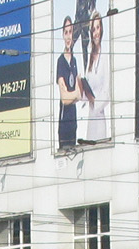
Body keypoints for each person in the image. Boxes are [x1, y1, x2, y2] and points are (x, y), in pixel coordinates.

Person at [78, 13, 110, 144]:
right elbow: (86, 93)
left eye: (98, 28)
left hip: (100, 114)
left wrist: (94, 100)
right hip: (90, 116)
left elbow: (107, 92)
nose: (96, 32)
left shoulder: (106, 56)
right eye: (93, 29)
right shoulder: (90, 58)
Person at [56, 16, 80, 150]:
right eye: (66, 32)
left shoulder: (74, 61)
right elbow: (64, 98)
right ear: (62, 35)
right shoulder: (60, 62)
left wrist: (76, 94)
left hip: (73, 120)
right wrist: (75, 94)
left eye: (70, 32)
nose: (68, 36)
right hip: (64, 120)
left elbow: (79, 94)